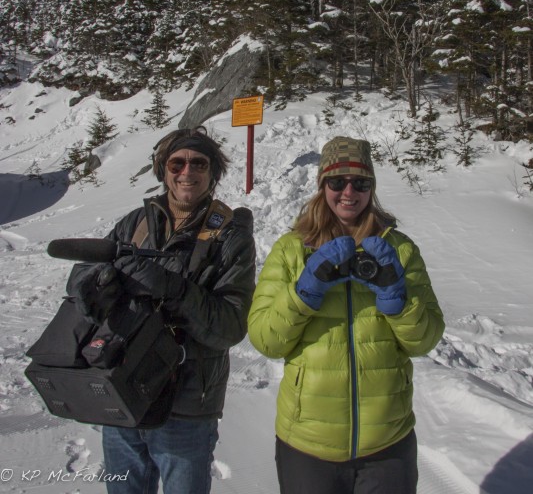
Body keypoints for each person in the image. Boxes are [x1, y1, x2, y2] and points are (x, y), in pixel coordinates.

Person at [247, 136, 444, 494]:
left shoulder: (399, 249)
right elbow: (266, 340)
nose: (348, 191)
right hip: (307, 442)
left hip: (388, 443)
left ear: (372, 188)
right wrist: (304, 293)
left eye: (360, 182)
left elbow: (425, 340)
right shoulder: (292, 249)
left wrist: (398, 302)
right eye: (337, 182)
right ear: (322, 186)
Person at [68, 126, 256, 494]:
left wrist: (173, 288)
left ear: (213, 172)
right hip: (122, 392)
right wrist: (92, 287)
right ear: (163, 170)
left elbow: (230, 326)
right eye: (177, 162)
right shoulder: (135, 224)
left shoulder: (230, 237)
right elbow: (83, 280)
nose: (187, 171)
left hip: (185, 407)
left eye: (199, 163)